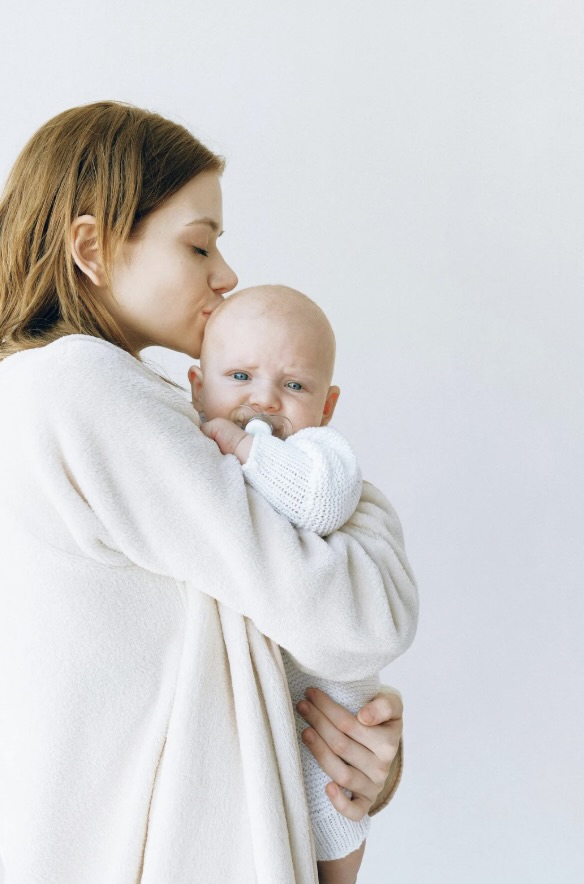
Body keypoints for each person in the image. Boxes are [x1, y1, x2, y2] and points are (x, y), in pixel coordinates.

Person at [0, 101, 418, 884]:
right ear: (90, 246)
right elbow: (362, 620)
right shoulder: (80, 387)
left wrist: (350, 759)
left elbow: (263, 630)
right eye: (199, 244)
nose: (226, 276)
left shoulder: (61, 402)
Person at [189, 283, 417, 883]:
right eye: (239, 375)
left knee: (335, 812)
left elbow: (317, 503)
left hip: (326, 704)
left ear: (327, 406)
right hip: (247, 741)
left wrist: (246, 449)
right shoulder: (182, 449)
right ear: (195, 385)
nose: (264, 401)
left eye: (294, 386)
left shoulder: (320, 456)